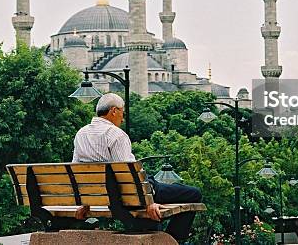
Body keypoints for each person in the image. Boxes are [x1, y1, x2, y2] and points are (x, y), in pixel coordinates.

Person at [72, 93, 202, 242]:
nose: (123, 117)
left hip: (104, 197)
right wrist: (149, 202)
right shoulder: (115, 134)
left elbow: (77, 170)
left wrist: (86, 203)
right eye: (123, 112)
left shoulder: (81, 134)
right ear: (114, 111)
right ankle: (172, 240)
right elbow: (129, 174)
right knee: (194, 194)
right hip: (130, 196)